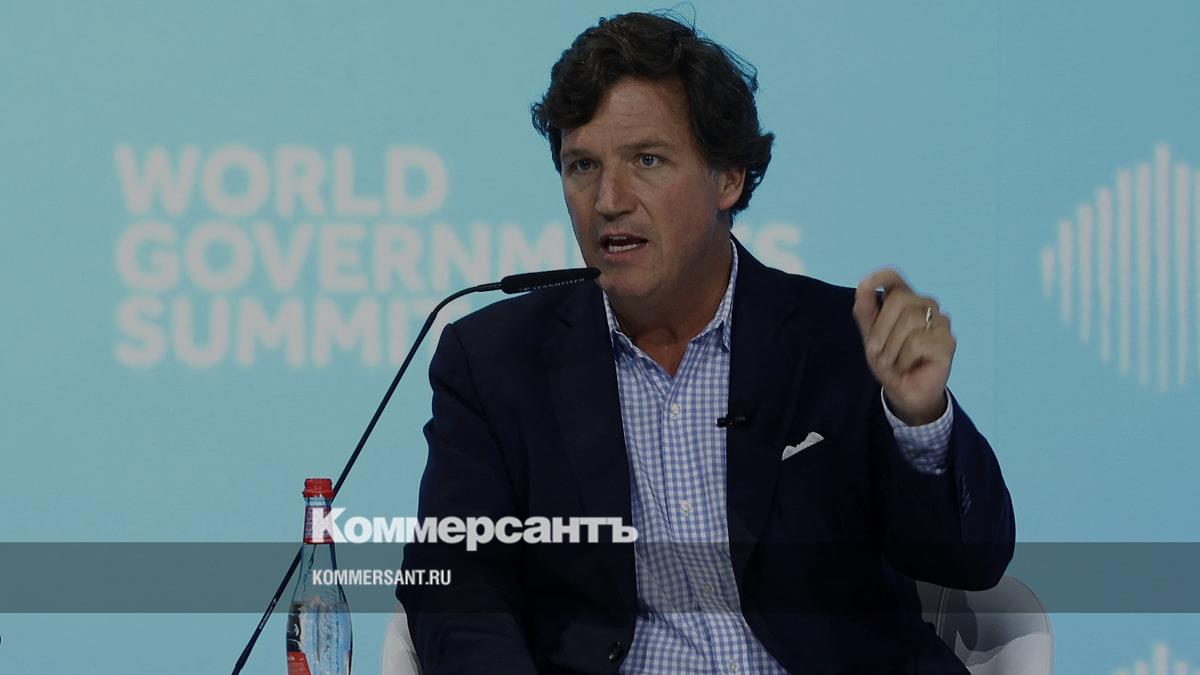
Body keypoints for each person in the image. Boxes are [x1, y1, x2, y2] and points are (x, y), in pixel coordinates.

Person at [399, 11, 1014, 674]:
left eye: (647, 160)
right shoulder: (494, 362)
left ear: (728, 178)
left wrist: (920, 420)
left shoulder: (843, 339)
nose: (608, 199)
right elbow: (456, 590)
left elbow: (970, 562)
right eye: (582, 165)